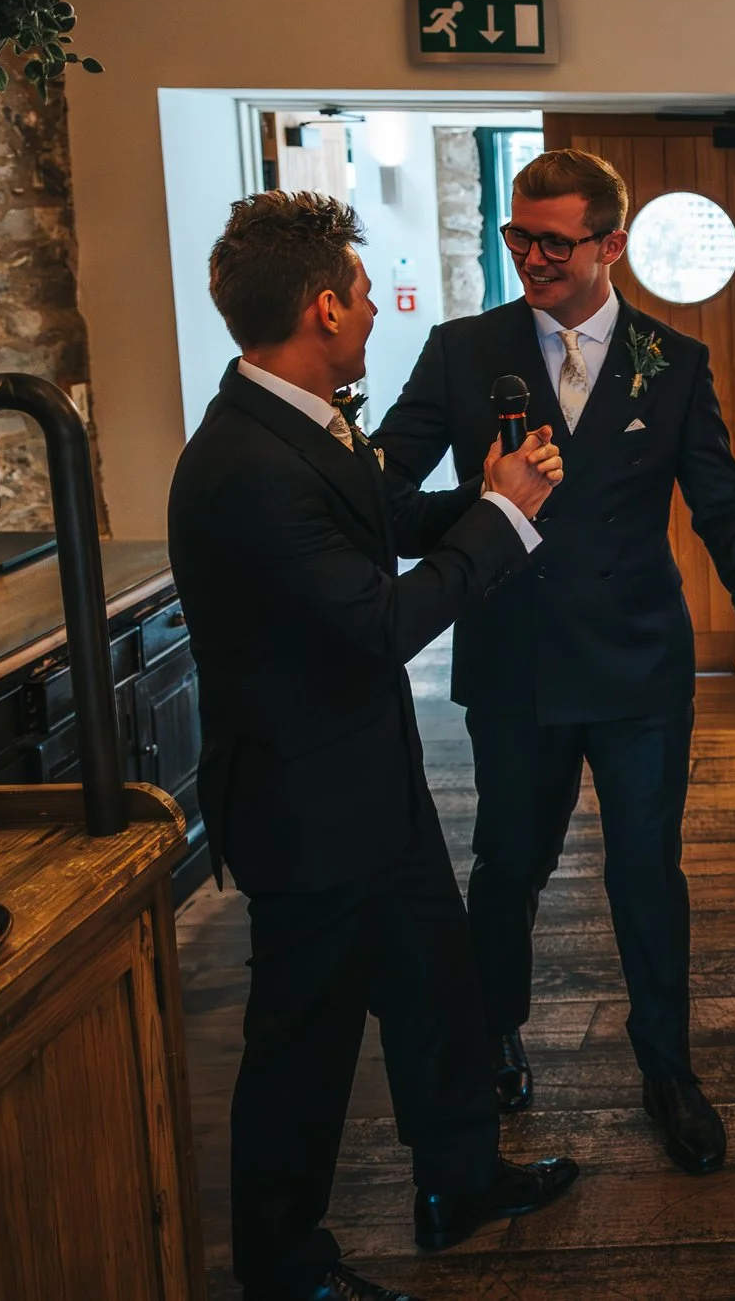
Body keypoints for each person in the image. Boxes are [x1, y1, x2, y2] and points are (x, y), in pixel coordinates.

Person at [169, 193, 577, 1301]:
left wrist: (499, 493)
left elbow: (393, 520)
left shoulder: (305, 416)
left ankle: (457, 1181)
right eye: (358, 292)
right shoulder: (246, 466)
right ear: (323, 307)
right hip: (306, 804)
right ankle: (286, 1268)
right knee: (301, 1049)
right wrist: (501, 522)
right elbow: (381, 626)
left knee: (433, 983)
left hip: (369, 778)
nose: (370, 311)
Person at [375, 148, 735, 1174]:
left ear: (612, 243)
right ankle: (497, 1032)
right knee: (509, 863)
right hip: (515, 661)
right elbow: (380, 497)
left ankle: (668, 1066)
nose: (529, 257)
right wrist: (487, 506)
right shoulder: (461, 351)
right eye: (518, 236)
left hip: (640, 664)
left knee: (648, 867)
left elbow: (723, 507)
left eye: (553, 241)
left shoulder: (673, 359)